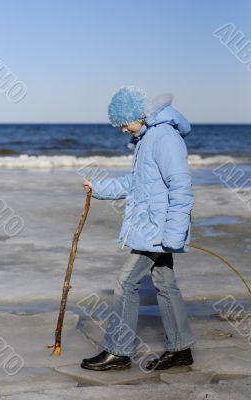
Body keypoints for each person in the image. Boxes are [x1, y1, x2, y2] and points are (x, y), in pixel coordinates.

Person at [81, 86, 195, 371]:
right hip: (153, 229)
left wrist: (172, 233)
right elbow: (135, 184)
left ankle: (119, 352)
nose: (122, 129)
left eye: (123, 123)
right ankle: (181, 349)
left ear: (137, 115)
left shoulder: (164, 138)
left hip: (158, 231)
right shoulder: (146, 138)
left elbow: (181, 187)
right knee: (166, 284)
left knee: (126, 282)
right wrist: (98, 188)